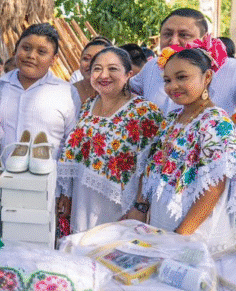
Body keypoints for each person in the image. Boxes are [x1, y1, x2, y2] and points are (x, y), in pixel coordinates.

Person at [124, 39, 236, 251]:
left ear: (207, 77)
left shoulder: (216, 123)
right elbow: (152, 166)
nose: (173, 86)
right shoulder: (172, 118)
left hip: (197, 234)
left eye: (182, 77)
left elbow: (213, 188)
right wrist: (140, 206)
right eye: (168, 80)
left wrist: (179, 237)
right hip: (163, 226)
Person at [57, 47, 165, 233]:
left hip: (119, 209)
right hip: (82, 203)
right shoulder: (87, 106)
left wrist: (139, 208)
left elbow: (149, 167)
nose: (103, 75)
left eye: (113, 69)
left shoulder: (144, 111)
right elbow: (75, 155)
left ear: (128, 74)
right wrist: (67, 194)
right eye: (97, 69)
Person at [130, 8, 236, 114]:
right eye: (167, 34)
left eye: (184, 35)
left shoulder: (231, 69)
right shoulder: (152, 66)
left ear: (204, 39)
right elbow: (125, 90)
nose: (173, 41)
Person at [0, 23, 80, 166]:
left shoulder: (66, 93)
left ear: (54, 59)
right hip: (2, 180)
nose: (31, 56)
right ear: (16, 49)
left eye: (41, 52)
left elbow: (72, 143)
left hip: (48, 183)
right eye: (26, 48)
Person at [72, 38, 113, 104]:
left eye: (97, 59)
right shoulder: (67, 92)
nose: (90, 64)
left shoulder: (117, 95)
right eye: (86, 59)